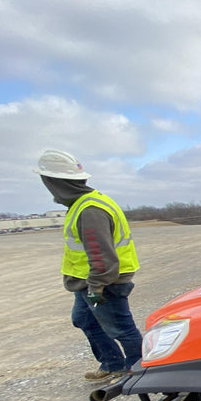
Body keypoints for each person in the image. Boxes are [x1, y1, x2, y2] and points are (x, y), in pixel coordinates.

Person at [34, 149, 143, 381]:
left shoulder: (90, 210)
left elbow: (102, 257)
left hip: (103, 283)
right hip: (87, 282)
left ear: (55, 183)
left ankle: (142, 370)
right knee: (83, 319)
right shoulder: (82, 204)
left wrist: (96, 289)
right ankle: (113, 364)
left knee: (121, 328)